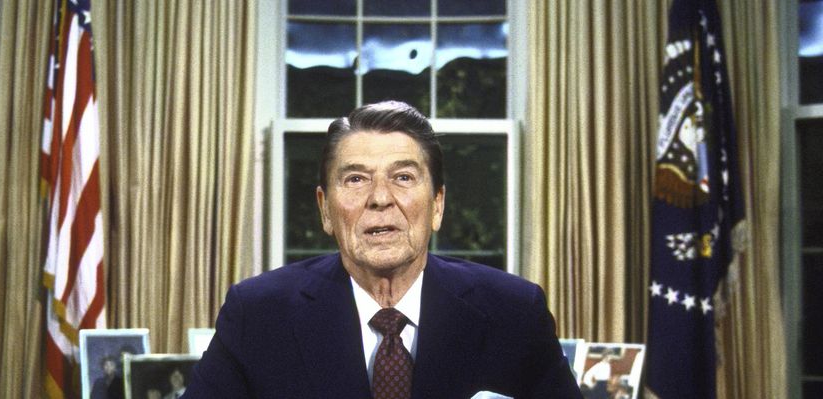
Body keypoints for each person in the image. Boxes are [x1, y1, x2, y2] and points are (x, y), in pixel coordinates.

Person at [185, 101, 582, 398]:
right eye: (356, 179)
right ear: (325, 209)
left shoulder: (513, 312)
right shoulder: (257, 314)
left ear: (437, 205)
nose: (380, 198)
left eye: (403, 177)